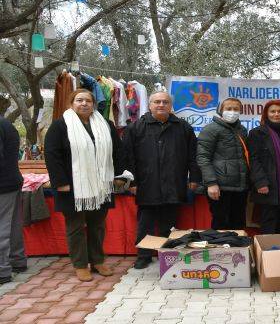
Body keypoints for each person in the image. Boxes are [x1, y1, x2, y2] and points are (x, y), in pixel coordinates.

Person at [44, 89, 123, 281]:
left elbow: (118, 151)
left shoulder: (105, 124)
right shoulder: (60, 126)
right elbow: (52, 156)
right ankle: (80, 264)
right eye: (79, 100)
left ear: (94, 104)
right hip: (72, 186)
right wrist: (60, 182)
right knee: (76, 226)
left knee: (98, 225)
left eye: (88, 100)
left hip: (101, 185)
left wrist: (119, 175)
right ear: (72, 103)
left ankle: (98, 260)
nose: (84, 104)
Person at [122, 91, 201, 269]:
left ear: (170, 106)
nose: (161, 105)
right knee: (146, 223)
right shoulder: (135, 128)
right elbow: (128, 157)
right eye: (157, 102)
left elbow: (193, 155)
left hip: (174, 182)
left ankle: (168, 254)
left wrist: (194, 177)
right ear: (149, 105)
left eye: (165, 102)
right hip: (146, 184)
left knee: (170, 222)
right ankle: (144, 255)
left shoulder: (183, 127)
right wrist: (132, 182)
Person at [247, 100, 280, 234]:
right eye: (272, 111)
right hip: (268, 185)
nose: (276, 114)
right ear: (266, 114)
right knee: (268, 220)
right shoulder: (257, 133)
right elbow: (254, 160)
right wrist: (260, 182)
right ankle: (267, 252)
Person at [197, 97, 249, 230]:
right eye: (228, 109)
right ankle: (220, 251)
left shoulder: (242, 130)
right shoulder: (210, 129)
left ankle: (238, 251)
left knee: (239, 223)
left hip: (240, 186)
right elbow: (203, 157)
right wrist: (211, 183)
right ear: (220, 110)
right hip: (220, 187)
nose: (232, 112)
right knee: (221, 224)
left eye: (236, 109)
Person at [0, 116, 26, 283]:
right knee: (13, 224)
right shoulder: (6, 123)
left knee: (2, 226)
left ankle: (2, 269)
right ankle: (17, 260)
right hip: (11, 180)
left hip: (3, 183)